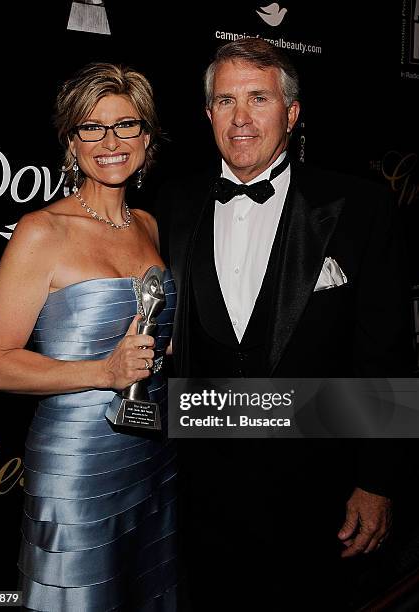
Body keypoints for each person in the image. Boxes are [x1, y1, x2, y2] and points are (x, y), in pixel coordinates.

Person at [155, 39, 413, 610]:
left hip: (317, 485)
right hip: (200, 486)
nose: (240, 118)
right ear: (207, 112)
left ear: (292, 113)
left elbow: (386, 353)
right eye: (225, 100)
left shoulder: (361, 207)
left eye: (258, 98)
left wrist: (377, 480)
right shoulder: (171, 204)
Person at [0, 63, 178, 611]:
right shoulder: (43, 231)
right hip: (77, 464)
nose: (110, 142)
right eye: (92, 127)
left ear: (147, 136)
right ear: (70, 140)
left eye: (126, 125)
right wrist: (102, 372)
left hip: (153, 454)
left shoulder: (150, 225)